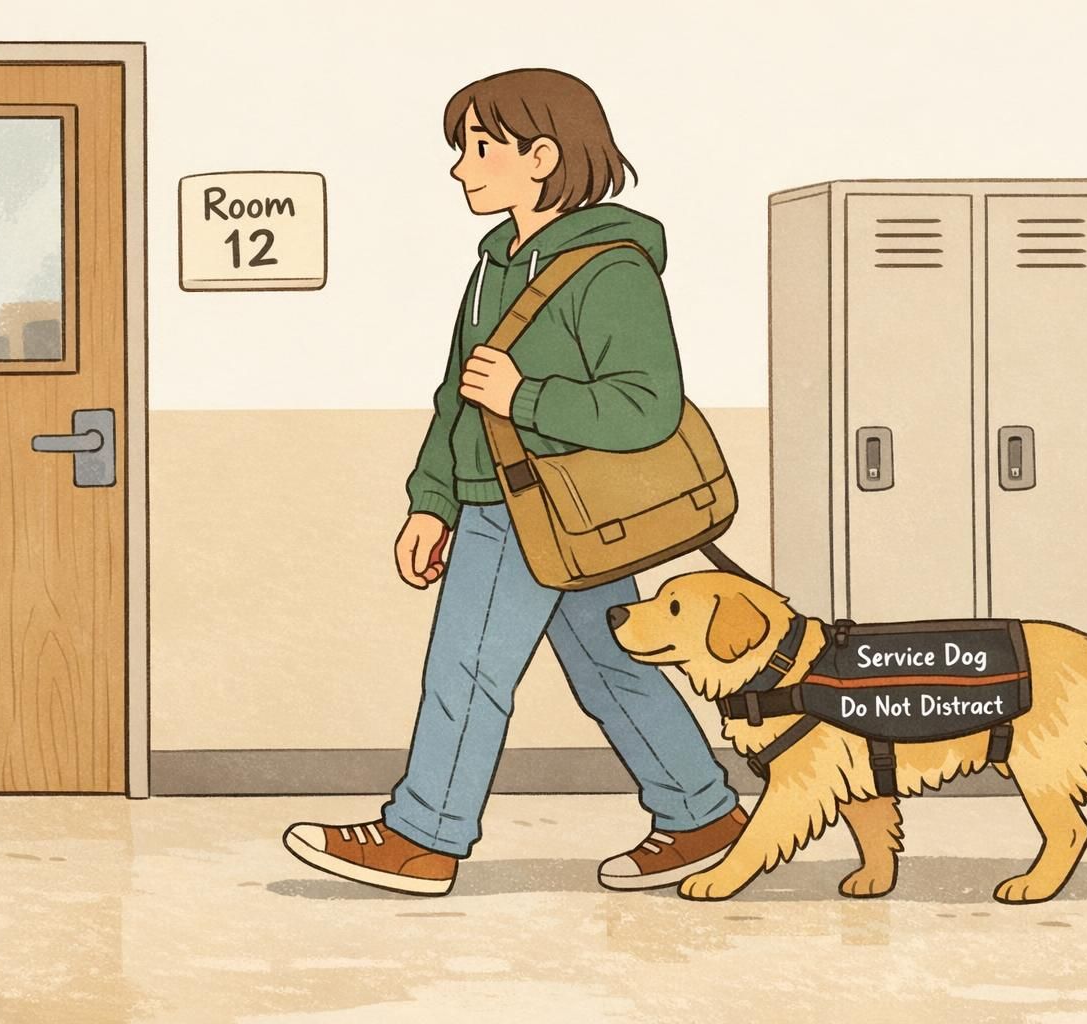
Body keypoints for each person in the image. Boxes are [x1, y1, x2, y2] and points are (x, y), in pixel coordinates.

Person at [282, 68, 744, 896]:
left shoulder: (612, 268)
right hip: (515, 505)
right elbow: (458, 393)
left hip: (541, 507)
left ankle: (423, 837)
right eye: (462, 148)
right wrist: (431, 500)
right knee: (611, 664)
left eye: (480, 148)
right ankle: (702, 811)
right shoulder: (498, 262)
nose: (461, 167)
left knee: (468, 668)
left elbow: (647, 406)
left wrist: (525, 396)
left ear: (543, 155)